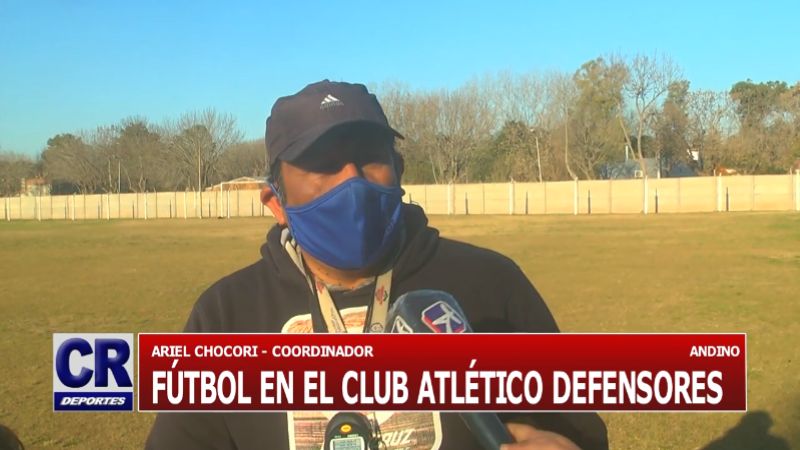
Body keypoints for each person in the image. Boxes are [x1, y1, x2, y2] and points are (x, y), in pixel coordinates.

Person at [146, 80, 608, 450]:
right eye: (322, 163)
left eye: (369, 157)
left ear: (399, 171)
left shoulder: (491, 285)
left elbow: (577, 430)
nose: (352, 180)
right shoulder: (227, 315)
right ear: (276, 201)